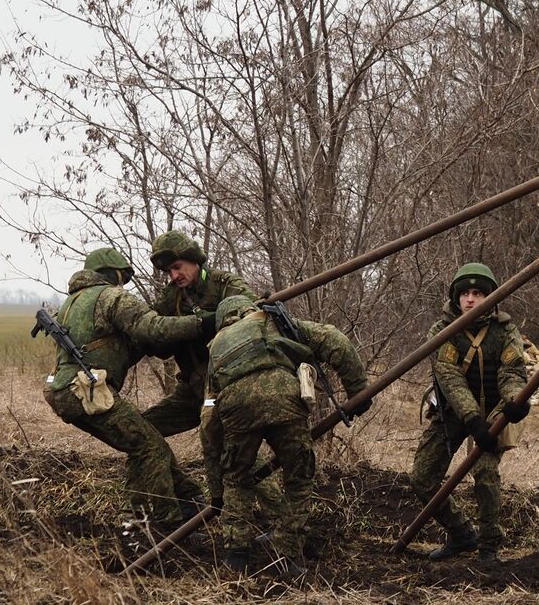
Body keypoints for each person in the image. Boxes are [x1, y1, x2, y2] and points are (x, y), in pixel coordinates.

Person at [41, 247, 206, 530]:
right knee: (150, 447)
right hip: (88, 392)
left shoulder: (71, 303)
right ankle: (169, 524)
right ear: (112, 274)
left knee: (143, 440)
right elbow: (151, 329)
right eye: (122, 278)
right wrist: (201, 322)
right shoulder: (110, 296)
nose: (123, 285)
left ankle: (187, 500)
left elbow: (118, 348)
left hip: (63, 394)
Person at [207, 294, 369, 578]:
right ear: (249, 309)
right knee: (298, 477)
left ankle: (236, 556)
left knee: (237, 478)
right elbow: (335, 341)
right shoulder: (272, 320)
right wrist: (357, 392)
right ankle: (288, 556)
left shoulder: (216, 347)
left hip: (236, 407)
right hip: (285, 399)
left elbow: (208, 419)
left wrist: (217, 489)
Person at [410, 263, 530, 564]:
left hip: (494, 412)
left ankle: (489, 545)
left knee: (485, 473)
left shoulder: (505, 331)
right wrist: (471, 419)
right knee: (422, 476)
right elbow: (450, 378)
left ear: (490, 297)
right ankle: (462, 534)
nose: (471, 299)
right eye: (464, 293)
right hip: (453, 411)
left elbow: (512, 372)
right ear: (456, 298)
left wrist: (516, 402)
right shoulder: (442, 332)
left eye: (478, 293)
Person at [141, 230, 259, 509]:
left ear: (194, 261)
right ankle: (186, 494)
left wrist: (207, 323)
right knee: (142, 430)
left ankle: (279, 521)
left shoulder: (224, 283)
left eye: (177, 268)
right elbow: (152, 330)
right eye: (169, 271)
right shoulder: (172, 298)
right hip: (192, 388)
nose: (174, 276)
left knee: (236, 453)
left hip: (224, 386)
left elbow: (249, 315)